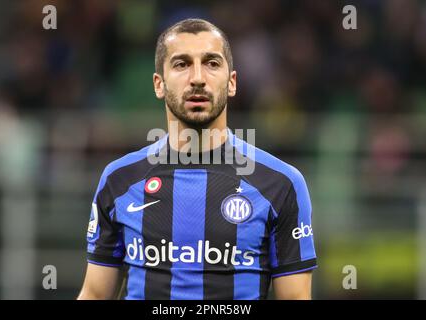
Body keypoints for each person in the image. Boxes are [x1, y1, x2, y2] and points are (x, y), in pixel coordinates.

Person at [77, 18, 317, 300]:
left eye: (212, 63)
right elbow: (94, 294)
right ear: (159, 84)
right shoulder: (119, 180)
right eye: (182, 64)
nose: (198, 78)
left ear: (232, 83)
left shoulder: (281, 183)